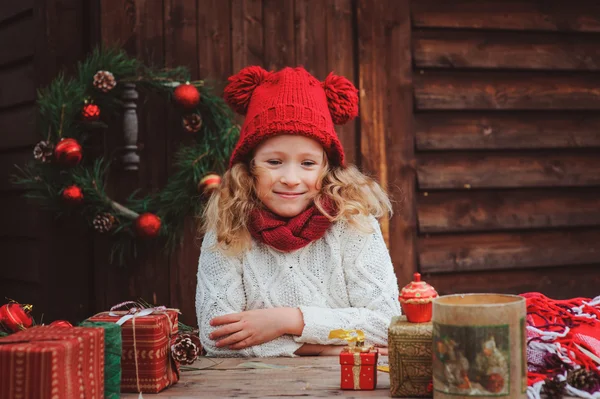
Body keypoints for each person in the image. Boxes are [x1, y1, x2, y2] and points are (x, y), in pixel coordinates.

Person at [195, 65, 401, 357]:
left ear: (327, 168)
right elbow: (217, 338)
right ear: (249, 166)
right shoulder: (228, 227)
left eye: (307, 163)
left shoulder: (353, 224)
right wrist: (328, 348)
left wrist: (287, 321)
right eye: (274, 162)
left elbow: (385, 325)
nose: (291, 178)